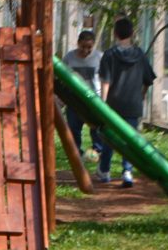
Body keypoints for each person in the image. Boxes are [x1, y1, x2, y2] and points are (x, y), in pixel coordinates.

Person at [96, 17, 156, 188]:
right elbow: (148, 80)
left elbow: (105, 81)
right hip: (133, 105)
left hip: (113, 104)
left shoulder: (109, 55)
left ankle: (105, 171)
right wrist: (141, 96)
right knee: (130, 140)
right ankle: (127, 172)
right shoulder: (140, 54)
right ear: (132, 33)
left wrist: (103, 103)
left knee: (109, 138)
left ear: (115, 33)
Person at [62, 30, 104, 161]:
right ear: (78, 43)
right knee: (74, 127)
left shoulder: (99, 57)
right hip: (74, 99)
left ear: (94, 45)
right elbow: (61, 77)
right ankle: (76, 152)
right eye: (83, 47)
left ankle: (97, 150)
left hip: (94, 99)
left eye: (89, 47)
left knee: (96, 127)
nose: (86, 50)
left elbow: (105, 78)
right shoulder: (69, 57)